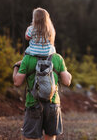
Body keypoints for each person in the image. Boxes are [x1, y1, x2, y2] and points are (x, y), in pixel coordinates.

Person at [13, 8, 72, 140]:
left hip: (33, 103)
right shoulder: (57, 58)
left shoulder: (28, 59)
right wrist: (67, 72)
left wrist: (16, 67)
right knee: (50, 137)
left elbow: (17, 82)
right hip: (53, 104)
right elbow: (67, 81)